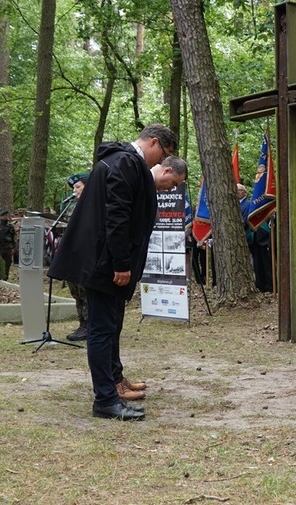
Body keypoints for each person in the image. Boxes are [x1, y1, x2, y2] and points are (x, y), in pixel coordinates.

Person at [48, 124, 181, 421]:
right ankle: (106, 399)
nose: (159, 164)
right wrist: (121, 263)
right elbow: (116, 216)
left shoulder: (119, 161)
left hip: (102, 259)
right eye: (162, 155)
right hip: (105, 263)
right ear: (154, 142)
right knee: (101, 329)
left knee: (106, 326)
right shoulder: (125, 162)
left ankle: (111, 388)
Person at [63, 172, 91, 342]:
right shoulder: (72, 207)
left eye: (78, 187)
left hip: (85, 255)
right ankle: (82, 323)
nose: (75, 191)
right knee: (76, 291)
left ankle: (89, 325)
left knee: (85, 291)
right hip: (71, 254)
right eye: (74, 188)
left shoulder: (93, 206)